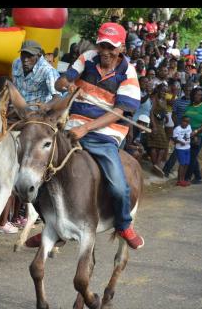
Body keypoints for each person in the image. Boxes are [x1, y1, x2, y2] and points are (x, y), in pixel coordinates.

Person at [53, 22, 144, 249]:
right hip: (72, 124)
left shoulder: (128, 73)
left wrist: (85, 129)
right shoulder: (87, 57)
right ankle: (51, 226)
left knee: (117, 187)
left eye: (111, 47)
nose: (105, 51)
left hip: (105, 133)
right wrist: (64, 82)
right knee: (42, 168)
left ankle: (123, 224)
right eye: (102, 45)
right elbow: (62, 81)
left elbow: (118, 112)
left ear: (121, 47)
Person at [12, 40, 61, 107]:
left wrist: (46, 107)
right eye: (23, 55)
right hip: (17, 109)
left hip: (36, 113)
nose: (25, 60)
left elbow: (58, 98)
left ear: (39, 55)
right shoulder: (16, 63)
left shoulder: (48, 71)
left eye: (29, 56)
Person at [163, 82, 194, 177]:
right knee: (178, 150)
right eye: (187, 90)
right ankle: (167, 169)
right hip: (181, 130)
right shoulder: (178, 101)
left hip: (192, 129)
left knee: (190, 151)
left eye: (190, 90)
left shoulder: (194, 103)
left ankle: (186, 173)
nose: (188, 92)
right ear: (183, 91)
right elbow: (173, 114)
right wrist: (178, 127)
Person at [184, 87, 202, 184]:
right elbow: (185, 120)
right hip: (188, 134)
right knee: (193, 156)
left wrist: (196, 131)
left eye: (200, 95)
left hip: (200, 135)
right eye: (195, 94)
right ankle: (198, 177)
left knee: (192, 156)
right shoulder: (189, 106)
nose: (197, 96)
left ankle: (187, 178)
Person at [147, 83, 169, 177]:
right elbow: (151, 112)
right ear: (158, 90)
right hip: (154, 124)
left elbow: (164, 111)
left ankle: (156, 165)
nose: (164, 92)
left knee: (162, 146)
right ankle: (155, 165)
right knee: (154, 145)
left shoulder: (164, 100)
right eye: (162, 90)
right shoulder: (154, 99)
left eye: (165, 91)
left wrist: (166, 117)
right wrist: (154, 125)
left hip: (161, 124)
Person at [172, 116, 192, 187]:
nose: (185, 123)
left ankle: (183, 179)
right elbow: (173, 138)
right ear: (181, 121)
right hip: (180, 149)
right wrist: (180, 141)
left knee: (187, 164)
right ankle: (179, 180)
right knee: (182, 164)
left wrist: (194, 137)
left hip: (188, 147)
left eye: (187, 122)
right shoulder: (177, 129)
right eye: (184, 121)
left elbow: (190, 134)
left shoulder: (189, 127)